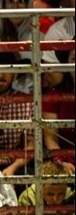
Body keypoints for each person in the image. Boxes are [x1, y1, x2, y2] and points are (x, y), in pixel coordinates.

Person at [42, 43, 75, 174]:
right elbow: (51, 139)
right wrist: (62, 163)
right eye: (73, 59)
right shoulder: (54, 96)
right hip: (66, 163)